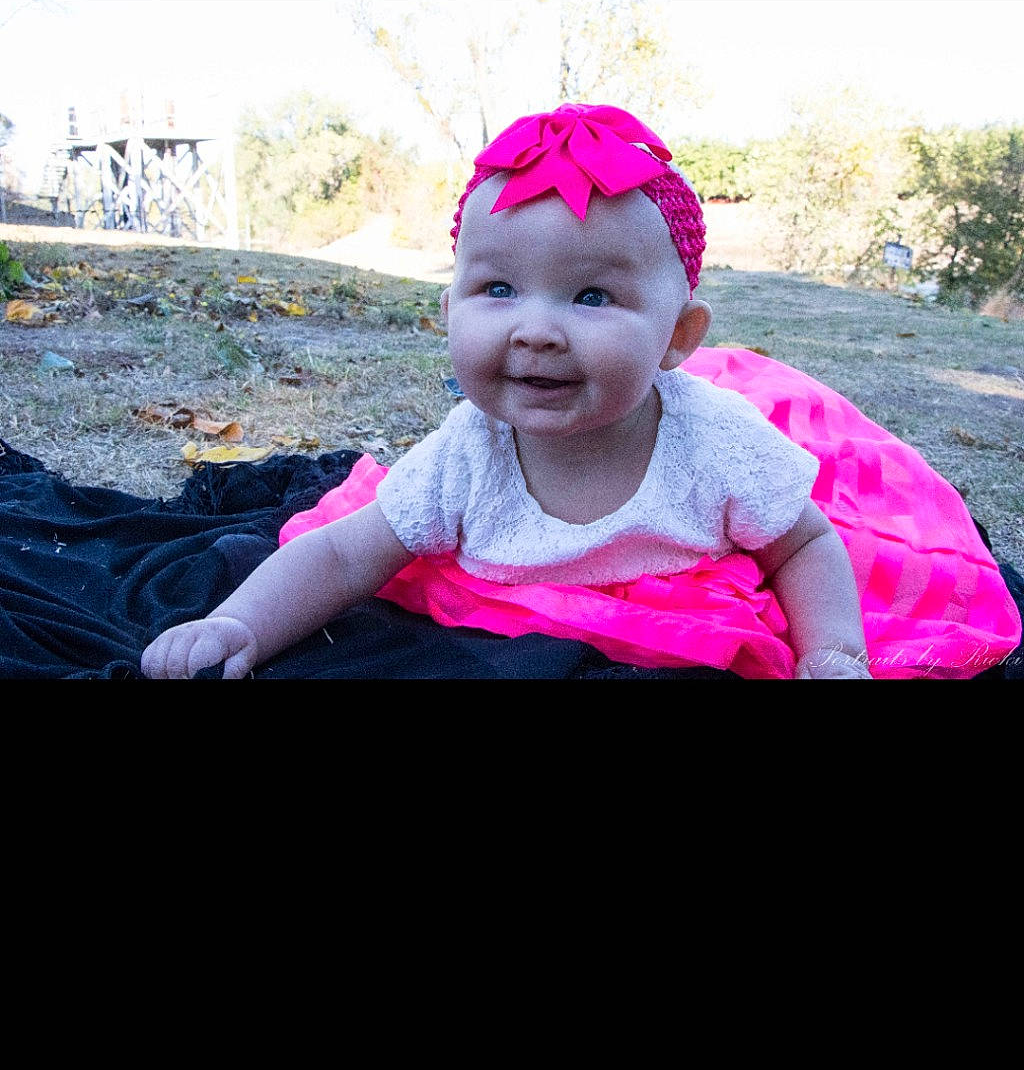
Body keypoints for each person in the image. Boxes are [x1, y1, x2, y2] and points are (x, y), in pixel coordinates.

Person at [141, 104, 869, 681]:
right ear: (449, 312)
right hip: (502, 627)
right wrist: (238, 625)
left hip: (689, 623)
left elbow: (802, 543)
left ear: (678, 337)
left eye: (591, 295)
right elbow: (342, 558)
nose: (536, 330)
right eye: (498, 289)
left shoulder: (715, 442)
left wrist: (832, 652)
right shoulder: (466, 455)